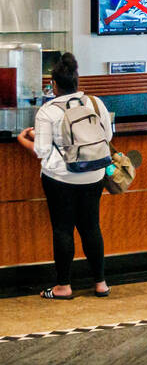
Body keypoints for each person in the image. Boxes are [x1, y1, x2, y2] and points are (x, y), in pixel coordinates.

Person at [14, 53, 112, 300]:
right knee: (91, 226)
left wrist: (23, 139)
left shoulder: (47, 111)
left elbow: (42, 151)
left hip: (61, 178)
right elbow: (107, 137)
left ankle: (63, 287)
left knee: (63, 228)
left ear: (54, 85)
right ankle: (101, 284)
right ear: (77, 80)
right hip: (94, 174)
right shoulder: (95, 103)